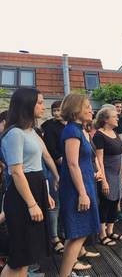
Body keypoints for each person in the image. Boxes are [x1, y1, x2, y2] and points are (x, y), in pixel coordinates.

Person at [0, 88, 56, 277]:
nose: (43, 106)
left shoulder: (31, 131)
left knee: (28, 256)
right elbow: (16, 172)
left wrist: (46, 192)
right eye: (39, 102)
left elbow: (41, 161)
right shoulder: (15, 133)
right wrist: (32, 203)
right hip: (22, 196)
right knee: (19, 257)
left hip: (35, 187)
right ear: (26, 104)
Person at [58, 94, 100, 277]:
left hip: (85, 184)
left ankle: (65, 274)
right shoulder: (72, 131)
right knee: (78, 233)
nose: (91, 109)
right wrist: (83, 193)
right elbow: (72, 164)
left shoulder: (77, 129)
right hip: (77, 189)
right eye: (87, 106)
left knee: (77, 233)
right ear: (76, 110)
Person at [93, 107, 122, 246]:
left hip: (117, 173)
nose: (117, 118)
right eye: (115, 116)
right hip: (107, 174)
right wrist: (104, 181)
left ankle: (110, 231)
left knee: (115, 201)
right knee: (105, 202)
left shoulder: (115, 132)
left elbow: (120, 155)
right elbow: (99, 159)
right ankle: (102, 234)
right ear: (105, 119)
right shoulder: (99, 136)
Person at [41, 100, 66, 254]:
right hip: (55, 170)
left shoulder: (69, 125)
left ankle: (63, 231)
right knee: (54, 204)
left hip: (68, 170)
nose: (56, 113)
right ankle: (54, 237)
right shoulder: (49, 127)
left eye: (59, 110)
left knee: (65, 203)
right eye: (54, 110)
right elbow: (51, 151)